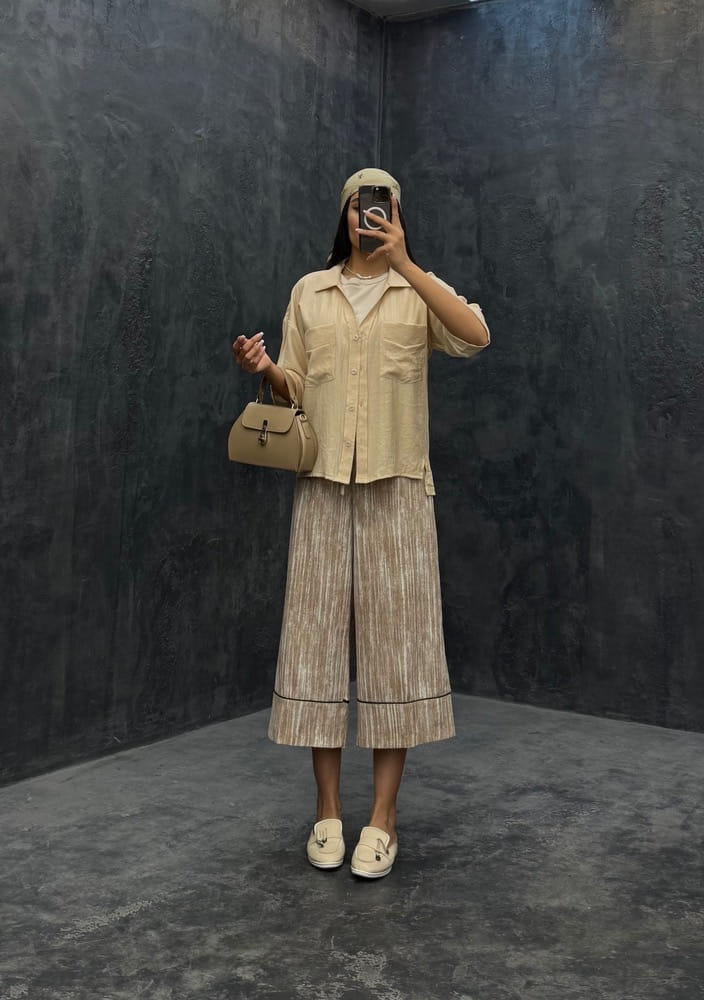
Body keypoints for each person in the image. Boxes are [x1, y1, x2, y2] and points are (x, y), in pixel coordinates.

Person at [232, 168, 489, 879]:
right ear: (343, 215)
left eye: (381, 205)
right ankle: (326, 811)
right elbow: (296, 384)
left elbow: (475, 335)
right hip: (321, 486)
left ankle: (382, 817)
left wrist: (406, 263)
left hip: (397, 486)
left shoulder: (416, 291)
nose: (367, 215)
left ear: (397, 215)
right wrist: (264, 367)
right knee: (315, 644)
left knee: (395, 651)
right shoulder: (310, 293)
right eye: (357, 203)